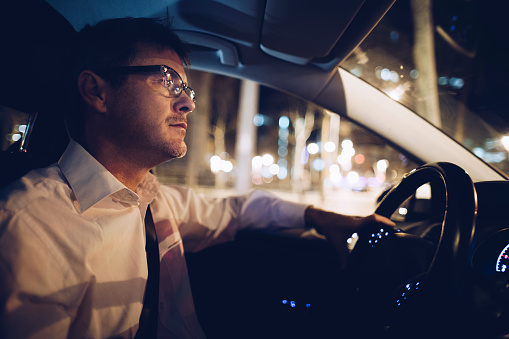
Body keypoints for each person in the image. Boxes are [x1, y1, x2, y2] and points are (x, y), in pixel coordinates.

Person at [0, 17, 394, 339]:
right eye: (167, 80)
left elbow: (239, 210)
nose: (187, 102)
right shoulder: (31, 226)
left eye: (185, 87)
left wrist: (319, 217)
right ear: (97, 92)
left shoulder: (153, 200)